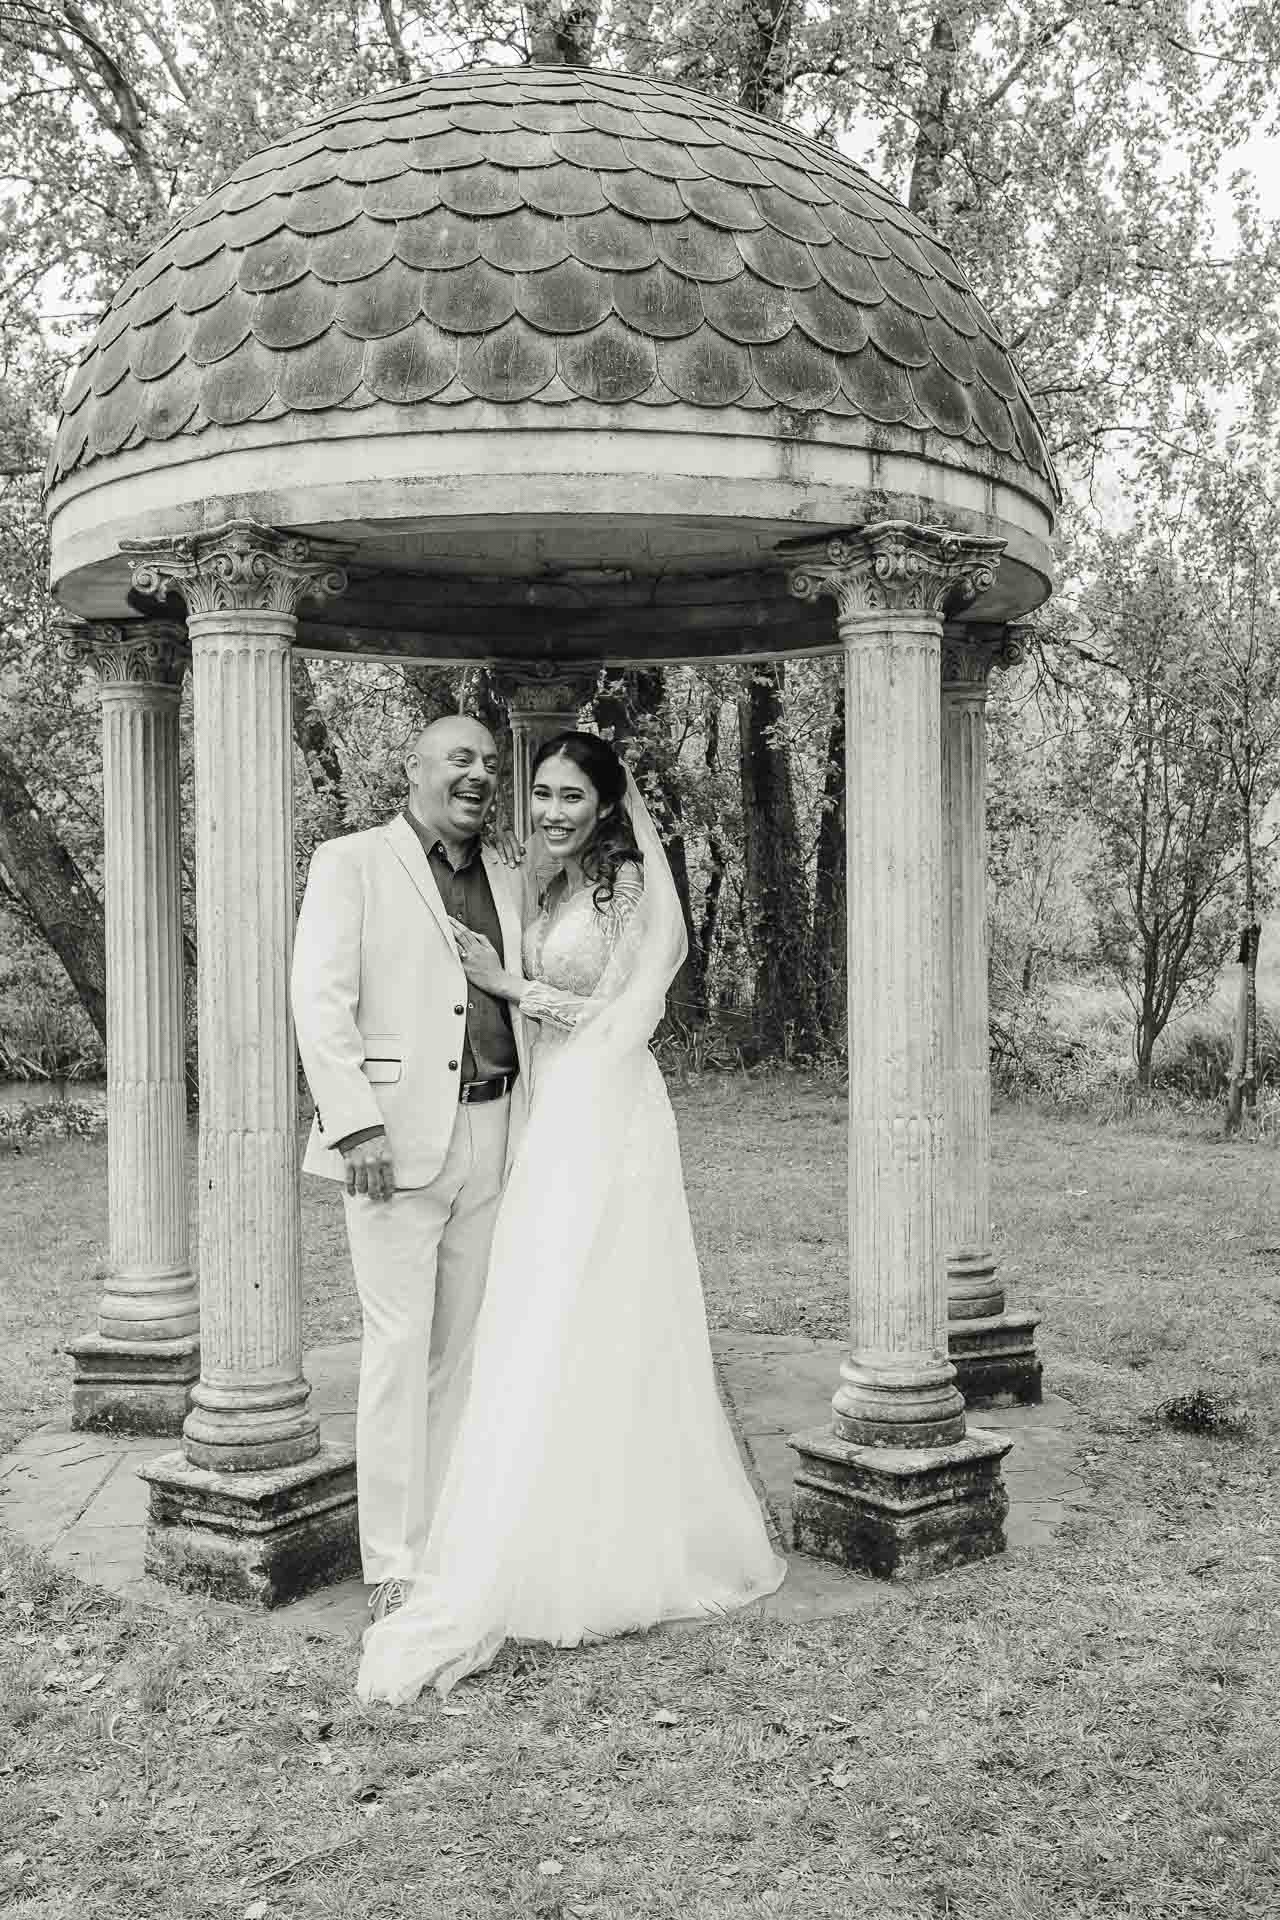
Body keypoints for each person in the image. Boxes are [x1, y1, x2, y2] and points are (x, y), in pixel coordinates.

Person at [357, 731, 786, 1703]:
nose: (551, 811)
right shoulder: (533, 884)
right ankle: (537, 1508)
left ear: (605, 804)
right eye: (540, 794)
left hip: (605, 1110)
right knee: (539, 1309)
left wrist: (508, 983)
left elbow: (627, 1008)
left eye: (570, 797)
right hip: (543, 1111)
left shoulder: (625, 884)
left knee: (597, 1305)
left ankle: (609, 1535)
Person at [291, 715, 528, 1622]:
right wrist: (356, 1130)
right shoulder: (351, 862)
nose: (477, 775)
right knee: (396, 1348)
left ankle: (453, 1535)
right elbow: (321, 999)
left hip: (498, 1128)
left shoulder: (508, 874)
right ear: (415, 767)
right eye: (459, 758)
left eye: (486, 763)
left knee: (466, 1348)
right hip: (390, 1143)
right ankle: (391, 1560)